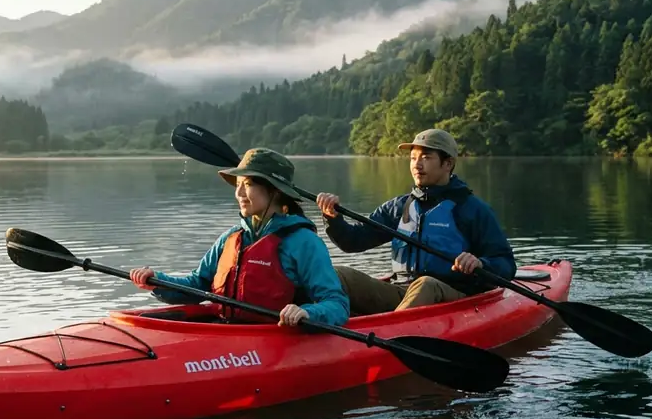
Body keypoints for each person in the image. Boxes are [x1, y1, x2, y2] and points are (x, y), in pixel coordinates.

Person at [129, 148, 350, 327]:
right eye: (238, 185)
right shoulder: (231, 238)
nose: (240, 194)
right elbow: (196, 285)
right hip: (227, 332)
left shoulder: (304, 242)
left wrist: (306, 312)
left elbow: (337, 304)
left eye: (248, 185)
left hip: (276, 337)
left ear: (274, 190)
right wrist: (156, 281)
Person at [314, 128, 515, 315]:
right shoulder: (397, 208)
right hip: (402, 292)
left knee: (426, 284)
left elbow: (505, 263)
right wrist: (332, 217)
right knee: (338, 275)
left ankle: (389, 335)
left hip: (452, 296)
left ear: (448, 164)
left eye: (426, 158)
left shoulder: (472, 209)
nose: (417, 165)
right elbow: (353, 241)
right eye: (413, 158)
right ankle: (313, 319)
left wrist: (481, 263)